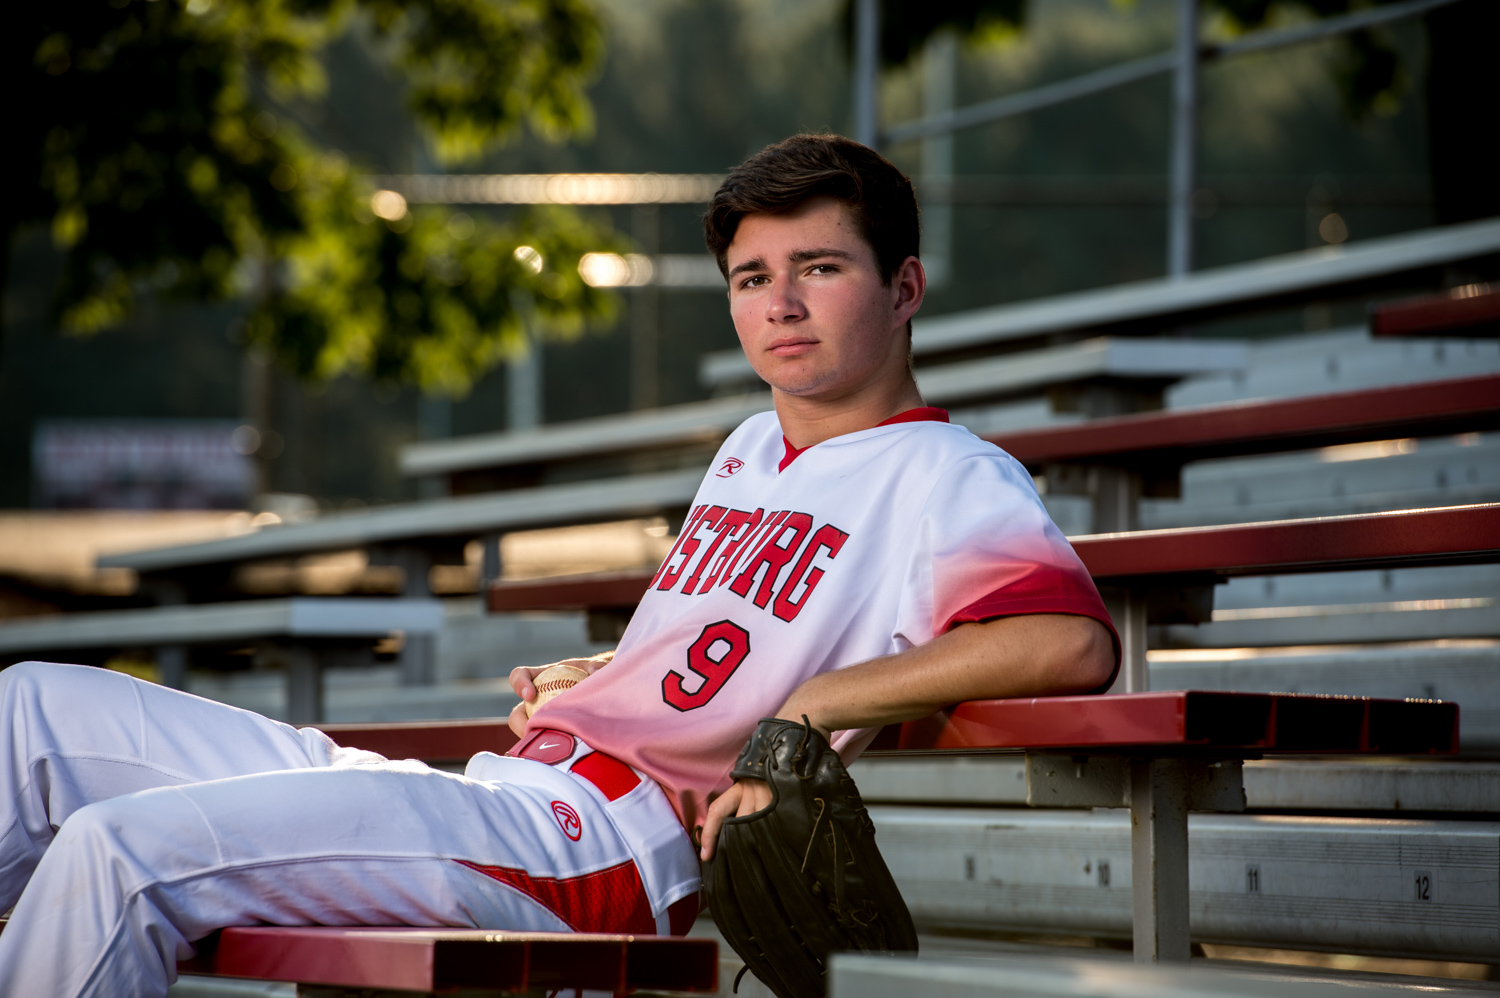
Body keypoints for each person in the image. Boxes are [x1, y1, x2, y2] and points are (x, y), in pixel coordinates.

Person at [0, 134, 1117, 998]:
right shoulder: (749, 448)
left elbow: (1067, 640)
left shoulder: (943, 470)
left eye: (819, 268)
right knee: (27, 710)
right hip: (513, 794)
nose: (777, 303)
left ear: (904, 288)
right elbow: (721, 648)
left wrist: (814, 703)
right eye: (749, 276)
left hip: (597, 851)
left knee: (121, 851)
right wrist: (612, 670)